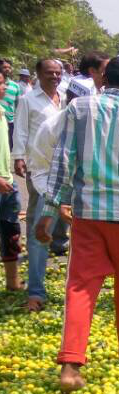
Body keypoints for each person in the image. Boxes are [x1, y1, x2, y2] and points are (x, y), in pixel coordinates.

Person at [35, 57, 119, 393]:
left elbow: (63, 160)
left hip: (87, 216)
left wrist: (49, 210)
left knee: (80, 287)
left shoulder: (79, 108)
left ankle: (71, 364)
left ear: (103, 79)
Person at [14, 59, 69, 297]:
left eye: (58, 73)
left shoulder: (66, 96)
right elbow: (20, 129)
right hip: (39, 165)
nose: (55, 77)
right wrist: (19, 156)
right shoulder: (28, 100)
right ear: (38, 74)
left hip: (64, 164)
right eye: (50, 73)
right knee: (39, 209)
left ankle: (58, 242)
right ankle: (37, 246)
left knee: (62, 209)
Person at [0, 71, 20, 294]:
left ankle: (13, 282)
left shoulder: (3, 112)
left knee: (11, 232)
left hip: (8, 183)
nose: (4, 87)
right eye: (0, 84)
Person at [1, 58, 21, 136]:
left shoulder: (15, 86)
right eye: (4, 67)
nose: (7, 69)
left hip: (10, 122)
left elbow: (18, 105)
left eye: (9, 67)